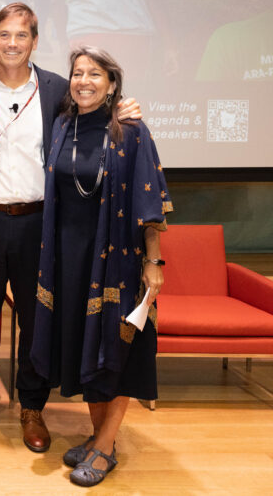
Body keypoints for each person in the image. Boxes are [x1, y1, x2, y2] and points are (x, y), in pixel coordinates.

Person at [0, 3, 140, 451]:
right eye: (4, 35)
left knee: (38, 319)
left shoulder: (58, 88)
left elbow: (95, 116)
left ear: (35, 41)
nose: (12, 43)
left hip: (40, 222)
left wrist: (123, 107)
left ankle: (32, 406)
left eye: (22, 35)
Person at [31, 46, 171, 487]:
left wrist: (153, 262)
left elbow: (150, 205)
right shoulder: (61, 126)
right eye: (77, 73)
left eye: (95, 74)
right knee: (83, 347)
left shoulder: (131, 131)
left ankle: (107, 446)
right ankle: (96, 437)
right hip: (69, 260)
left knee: (119, 352)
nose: (84, 81)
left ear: (112, 84)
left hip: (119, 263)